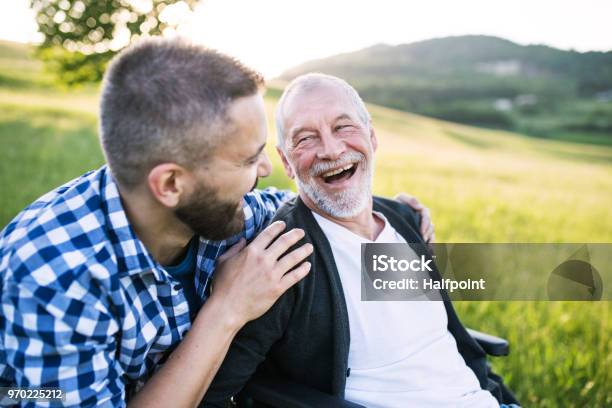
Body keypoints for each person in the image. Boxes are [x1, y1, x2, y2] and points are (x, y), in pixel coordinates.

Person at [0, 39, 433, 407]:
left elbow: (306, 202)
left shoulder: (227, 211)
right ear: (171, 183)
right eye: (248, 159)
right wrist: (227, 309)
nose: (265, 169)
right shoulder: (52, 277)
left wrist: (392, 214)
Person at [202, 74, 520, 407]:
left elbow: (412, 336)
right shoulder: (283, 259)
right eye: (307, 138)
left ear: (371, 137)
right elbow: (217, 394)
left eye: (343, 128)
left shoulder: (403, 219)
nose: (331, 149)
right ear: (287, 163)